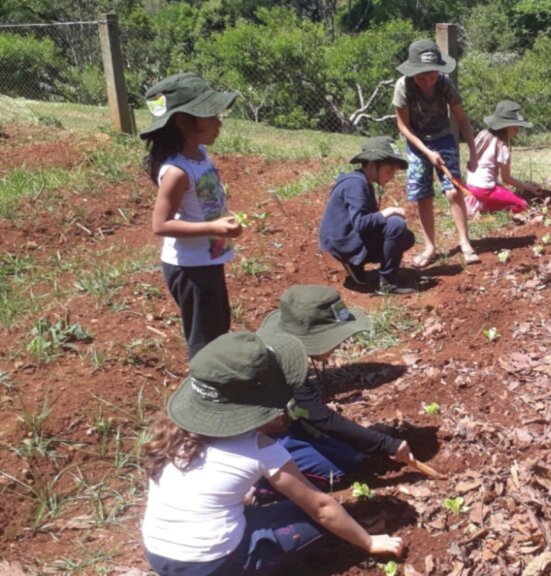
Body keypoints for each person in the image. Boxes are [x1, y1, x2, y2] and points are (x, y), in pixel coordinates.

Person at [141, 331, 404, 574]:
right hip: (216, 563)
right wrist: (369, 542)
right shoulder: (260, 449)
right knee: (318, 519)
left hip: (158, 552)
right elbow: (322, 507)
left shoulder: (176, 431)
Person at [255, 285, 418, 496]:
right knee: (335, 472)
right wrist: (387, 444)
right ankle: (259, 486)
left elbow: (307, 412)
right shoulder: (282, 364)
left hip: (279, 424)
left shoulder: (285, 353)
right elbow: (320, 417)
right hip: (249, 442)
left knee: (351, 455)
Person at [142, 73, 243, 359]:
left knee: (218, 323)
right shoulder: (176, 171)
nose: (219, 122)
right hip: (190, 268)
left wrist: (220, 223)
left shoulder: (199, 153)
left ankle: (218, 377)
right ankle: (205, 388)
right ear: (184, 121)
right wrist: (213, 226)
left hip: (207, 258)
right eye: (211, 115)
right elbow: (160, 224)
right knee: (204, 338)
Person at [393, 39, 480, 267]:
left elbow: (462, 120)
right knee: (423, 195)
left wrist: (473, 151)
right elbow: (403, 126)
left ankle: (465, 242)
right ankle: (430, 247)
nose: (426, 81)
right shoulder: (404, 86)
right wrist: (425, 152)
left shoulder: (445, 85)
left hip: (443, 139)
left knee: (453, 191)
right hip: (416, 142)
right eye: (421, 77)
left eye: (431, 75)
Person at [319, 136, 416, 295]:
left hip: (342, 239)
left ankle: (355, 264)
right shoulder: (356, 185)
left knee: (405, 236)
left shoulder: (361, 181)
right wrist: (388, 211)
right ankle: (387, 284)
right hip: (342, 242)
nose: (392, 176)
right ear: (372, 164)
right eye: (389, 170)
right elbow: (360, 223)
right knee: (396, 225)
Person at [463, 100, 541, 215]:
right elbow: (506, 178)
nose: (518, 130)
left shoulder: (483, 134)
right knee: (522, 205)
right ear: (507, 127)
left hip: (470, 185)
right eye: (516, 127)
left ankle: (477, 201)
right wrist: (529, 188)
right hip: (485, 189)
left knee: (503, 192)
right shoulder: (502, 146)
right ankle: (480, 205)